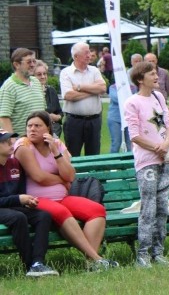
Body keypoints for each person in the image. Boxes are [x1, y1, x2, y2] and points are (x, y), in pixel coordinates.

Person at [13, 111, 118, 271]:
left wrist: (56, 152)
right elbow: (39, 177)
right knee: (62, 212)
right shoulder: (24, 145)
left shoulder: (57, 145)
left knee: (97, 210)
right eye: (29, 126)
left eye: (37, 126)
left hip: (63, 197)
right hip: (36, 199)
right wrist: (62, 180)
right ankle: (97, 259)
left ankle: (91, 263)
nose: (32, 129)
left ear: (48, 128)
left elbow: (70, 175)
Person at [124, 61, 169, 268]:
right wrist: (156, 148)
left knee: (162, 208)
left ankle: (158, 252)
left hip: (164, 159)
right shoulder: (132, 103)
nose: (156, 76)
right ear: (140, 79)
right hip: (147, 163)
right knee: (148, 208)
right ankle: (142, 255)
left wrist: (166, 145)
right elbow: (134, 136)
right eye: (151, 74)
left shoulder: (158, 97)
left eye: (156, 73)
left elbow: (167, 126)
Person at [0, 129, 58, 277]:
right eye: (4, 141)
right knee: (18, 218)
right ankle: (29, 265)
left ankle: (38, 262)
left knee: (43, 216)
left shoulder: (15, 163)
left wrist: (27, 202)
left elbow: (20, 192)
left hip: (12, 205)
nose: (10, 143)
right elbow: (16, 197)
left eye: (11, 139)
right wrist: (18, 199)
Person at [60, 43, 107, 157]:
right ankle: (74, 176)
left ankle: (93, 176)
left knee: (94, 156)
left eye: (89, 51)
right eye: (86, 52)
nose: (89, 55)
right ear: (76, 56)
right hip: (74, 122)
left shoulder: (95, 70)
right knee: (73, 155)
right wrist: (92, 91)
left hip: (94, 121)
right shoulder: (66, 72)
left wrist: (81, 87)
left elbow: (102, 88)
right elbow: (69, 96)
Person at [0, 48, 46, 136]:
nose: (33, 65)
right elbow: (4, 118)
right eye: (29, 62)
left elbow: (42, 111)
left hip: (40, 140)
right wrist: (13, 141)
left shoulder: (36, 82)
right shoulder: (9, 86)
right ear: (16, 64)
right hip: (22, 142)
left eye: (34, 61)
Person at [107, 53, 141, 154]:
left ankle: (130, 164)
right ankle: (113, 166)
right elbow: (118, 99)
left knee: (130, 143)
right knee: (116, 143)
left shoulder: (133, 88)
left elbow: (135, 101)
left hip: (129, 118)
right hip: (115, 118)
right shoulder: (113, 87)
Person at [34, 60, 63, 138]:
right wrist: (47, 116)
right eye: (39, 74)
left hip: (54, 131)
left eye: (45, 74)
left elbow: (60, 112)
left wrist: (57, 117)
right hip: (37, 132)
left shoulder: (51, 90)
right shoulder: (30, 92)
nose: (43, 77)